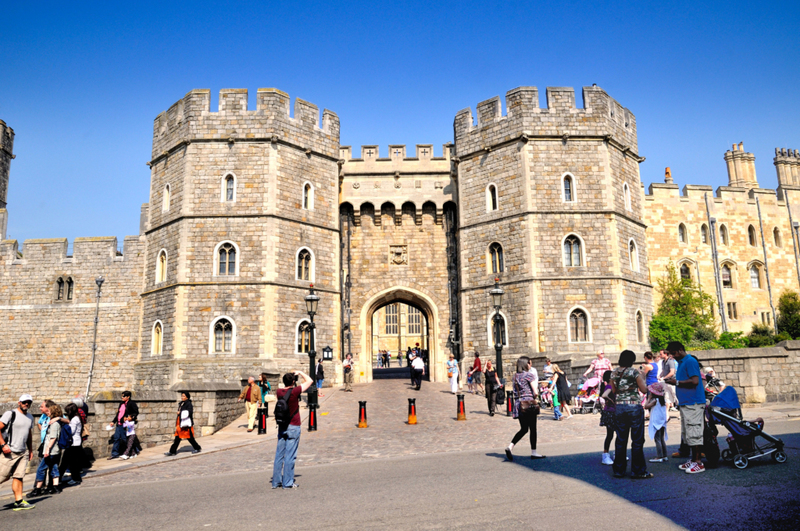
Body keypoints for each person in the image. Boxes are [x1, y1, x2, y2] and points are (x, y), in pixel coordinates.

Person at [664, 341, 706, 474]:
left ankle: (698, 462)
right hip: (686, 403)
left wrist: (676, 382)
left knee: (694, 432)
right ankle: (694, 459)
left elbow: (695, 381)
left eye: (674, 353)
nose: (673, 356)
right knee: (688, 433)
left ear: (681, 350)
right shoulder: (682, 362)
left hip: (693, 402)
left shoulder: (690, 361)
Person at [610, 350, 652, 479]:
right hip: (633, 406)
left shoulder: (613, 373)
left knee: (621, 439)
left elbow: (613, 390)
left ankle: (619, 470)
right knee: (637, 440)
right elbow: (644, 390)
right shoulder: (634, 372)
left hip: (620, 407)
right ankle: (638, 470)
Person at [272, 370, 313, 489]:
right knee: (290, 455)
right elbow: (310, 381)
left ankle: (276, 482)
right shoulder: (295, 391)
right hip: (293, 425)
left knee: (279, 455)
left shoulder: (279, 391)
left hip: (282, 426)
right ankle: (288, 482)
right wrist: (300, 372)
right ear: (294, 382)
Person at [505, 357, 545, 461]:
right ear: (526, 364)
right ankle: (534, 452)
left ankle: (510, 447)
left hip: (519, 404)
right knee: (533, 428)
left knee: (523, 428)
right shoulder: (529, 375)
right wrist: (535, 397)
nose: (530, 365)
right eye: (529, 363)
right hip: (528, 404)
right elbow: (535, 392)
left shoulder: (515, 377)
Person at [1, 394, 35, 510]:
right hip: (9, 452)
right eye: (24, 402)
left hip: (22, 452)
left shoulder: (30, 417)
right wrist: (3, 445)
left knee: (18, 477)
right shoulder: (10, 414)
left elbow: (29, 434)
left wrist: (30, 449)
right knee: (1, 477)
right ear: (19, 402)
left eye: (29, 402)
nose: (27, 404)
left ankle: (19, 501)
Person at [28, 399, 56, 498]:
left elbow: (66, 421)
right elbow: (39, 423)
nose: (40, 408)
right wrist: (42, 430)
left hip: (51, 445)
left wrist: (59, 419)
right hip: (44, 444)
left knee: (46, 467)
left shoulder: (57, 417)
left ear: (48, 408)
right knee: (43, 466)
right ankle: (43, 486)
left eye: (42, 406)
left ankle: (42, 488)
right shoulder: (44, 416)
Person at [35, 403, 62, 495]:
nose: (47, 412)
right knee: (54, 468)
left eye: (49, 411)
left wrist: (47, 450)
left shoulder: (54, 424)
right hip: (54, 450)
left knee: (41, 469)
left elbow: (53, 437)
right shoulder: (53, 421)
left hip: (51, 450)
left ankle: (37, 489)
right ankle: (56, 487)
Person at [108, 390, 138, 460]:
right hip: (119, 424)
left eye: (124, 396)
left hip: (125, 424)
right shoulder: (121, 403)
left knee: (125, 439)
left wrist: (129, 418)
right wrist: (113, 421)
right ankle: (114, 454)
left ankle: (131, 452)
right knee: (116, 438)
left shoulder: (131, 403)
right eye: (122, 396)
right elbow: (118, 414)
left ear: (128, 397)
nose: (122, 397)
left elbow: (135, 412)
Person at [645, 382, 669, 463]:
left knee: (657, 439)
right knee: (661, 439)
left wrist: (648, 398)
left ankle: (659, 456)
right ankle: (664, 455)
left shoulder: (654, 400)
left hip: (656, 422)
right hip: (662, 421)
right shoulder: (662, 400)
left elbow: (646, 406)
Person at [62, 402, 84, 486]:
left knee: (71, 463)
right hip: (75, 443)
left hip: (74, 443)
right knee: (71, 462)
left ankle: (76, 479)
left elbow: (71, 431)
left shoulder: (75, 419)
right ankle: (75, 478)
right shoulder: (77, 418)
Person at [599, 370, 616, 465]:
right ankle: (605, 454)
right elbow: (604, 395)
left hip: (611, 411)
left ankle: (615, 452)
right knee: (611, 434)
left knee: (613, 434)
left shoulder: (610, 386)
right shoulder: (609, 386)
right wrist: (609, 399)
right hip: (611, 412)